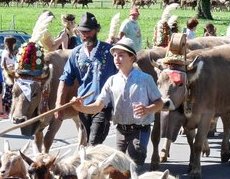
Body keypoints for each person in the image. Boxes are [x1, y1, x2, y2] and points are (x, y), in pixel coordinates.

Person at [69, 37, 163, 167]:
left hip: (140, 130)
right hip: (121, 131)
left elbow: (160, 102)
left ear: (132, 58)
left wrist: (147, 109)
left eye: (121, 55)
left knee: (134, 162)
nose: (116, 59)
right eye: (115, 56)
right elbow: (98, 106)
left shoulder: (145, 79)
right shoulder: (111, 81)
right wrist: (80, 107)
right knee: (119, 168)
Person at [56, 12, 118, 146]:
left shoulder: (111, 52)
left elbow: (123, 76)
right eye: (82, 31)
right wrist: (59, 105)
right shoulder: (76, 53)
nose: (85, 34)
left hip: (103, 106)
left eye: (88, 31)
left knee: (94, 142)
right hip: (83, 106)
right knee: (89, 141)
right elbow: (65, 79)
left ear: (96, 30)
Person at [0, 36, 17, 114]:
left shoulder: (12, 53)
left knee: (12, 91)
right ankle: (4, 110)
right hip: (8, 74)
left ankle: (11, 108)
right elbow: (2, 64)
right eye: (14, 44)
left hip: (13, 73)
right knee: (7, 91)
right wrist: (9, 65)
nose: (15, 45)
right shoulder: (6, 53)